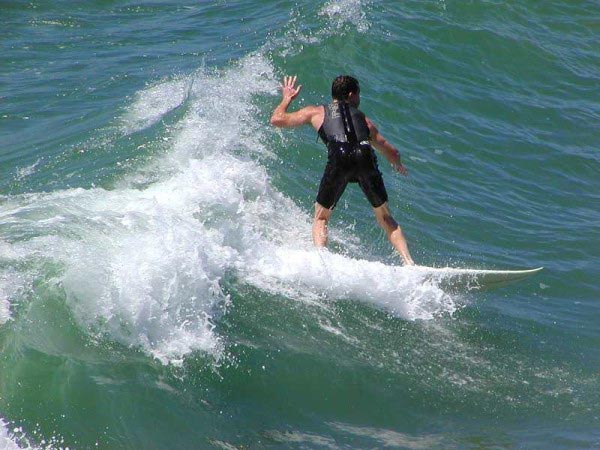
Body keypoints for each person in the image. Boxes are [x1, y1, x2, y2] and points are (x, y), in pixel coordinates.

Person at [270, 75, 415, 266]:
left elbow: (276, 120)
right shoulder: (364, 120)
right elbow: (391, 151)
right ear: (351, 95)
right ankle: (409, 262)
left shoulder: (316, 112)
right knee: (385, 216)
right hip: (364, 156)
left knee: (321, 217)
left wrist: (286, 98)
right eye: (358, 95)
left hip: (339, 158)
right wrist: (397, 164)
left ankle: (322, 260)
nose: (359, 99)